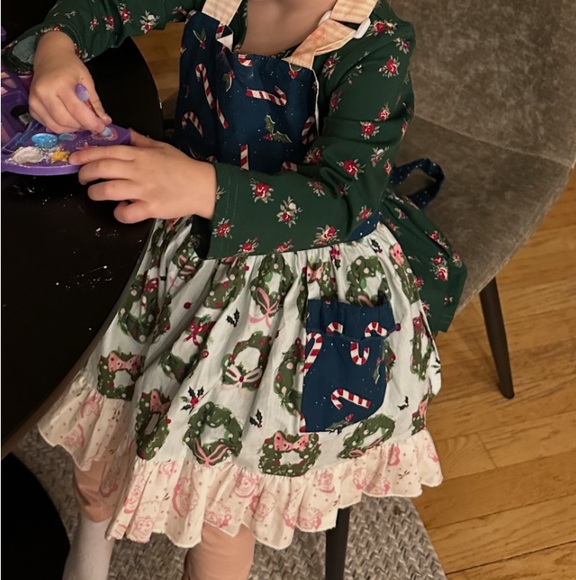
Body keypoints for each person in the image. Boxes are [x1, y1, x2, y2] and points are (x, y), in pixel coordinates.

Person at [3, 0, 467, 578]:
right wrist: (57, 45)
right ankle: (90, 550)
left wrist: (202, 187)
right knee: (105, 437)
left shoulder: (375, 43)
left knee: (221, 516)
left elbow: (344, 198)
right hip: (177, 239)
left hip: (291, 294)